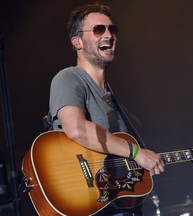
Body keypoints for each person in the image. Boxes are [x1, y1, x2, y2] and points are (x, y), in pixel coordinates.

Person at [48, 3, 165, 216]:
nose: (109, 35)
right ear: (77, 41)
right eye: (99, 29)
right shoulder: (69, 78)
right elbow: (76, 128)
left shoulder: (113, 98)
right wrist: (137, 152)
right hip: (88, 203)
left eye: (112, 29)